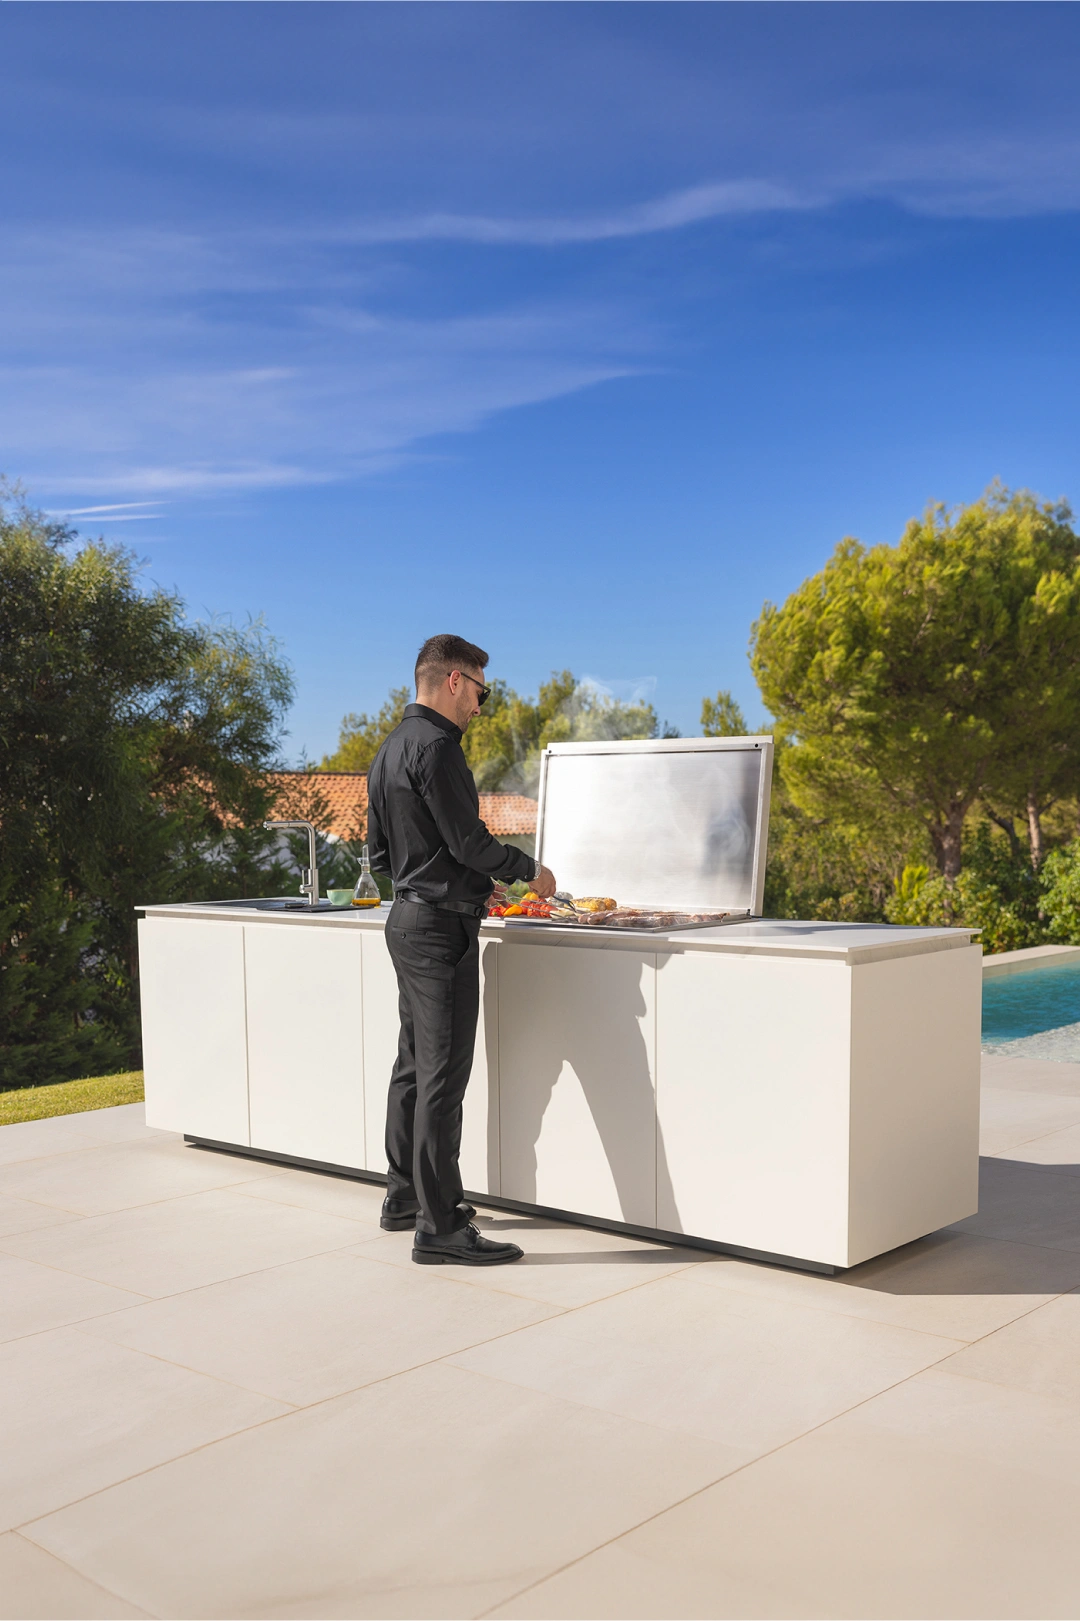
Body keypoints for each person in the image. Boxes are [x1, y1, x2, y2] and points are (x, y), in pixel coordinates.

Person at [366, 634, 557, 1265]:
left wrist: (436, 882)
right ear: (453, 681)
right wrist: (528, 869)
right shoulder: (439, 749)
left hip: (405, 919)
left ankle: (403, 1197)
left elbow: (379, 855)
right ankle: (442, 1226)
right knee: (444, 1079)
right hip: (441, 931)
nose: (481, 705)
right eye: (481, 691)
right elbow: (471, 842)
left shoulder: (390, 748)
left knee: (414, 1067)